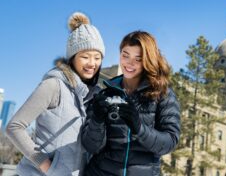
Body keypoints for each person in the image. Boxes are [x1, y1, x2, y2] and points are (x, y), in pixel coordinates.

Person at [6, 12, 105, 176]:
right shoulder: (54, 85)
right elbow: (14, 127)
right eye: (85, 57)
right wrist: (46, 166)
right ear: (72, 58)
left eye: (97, 57)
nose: (92, 63)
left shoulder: (92, 95)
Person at [81, 31, 181, 176]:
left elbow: (169, 142)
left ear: (148, 60)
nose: (129, 63)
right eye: (125, 55)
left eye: (138, 59)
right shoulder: (105, 94)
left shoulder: (163, 95)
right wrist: (97, 120)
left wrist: (140, 128)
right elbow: (92, 147)